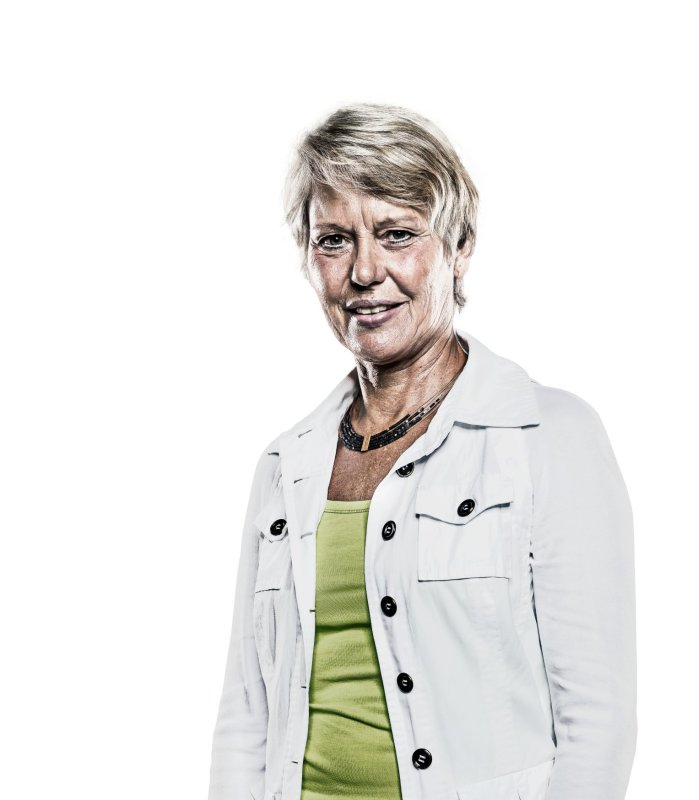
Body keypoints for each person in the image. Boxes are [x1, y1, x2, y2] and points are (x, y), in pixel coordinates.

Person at [207, 103, 637, 800]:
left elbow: (597, 724)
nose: (364, 271)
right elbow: (245, 715)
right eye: (333, 241)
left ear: (458, 246)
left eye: (397, 235)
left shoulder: (546, 436)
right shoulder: (285, 466)